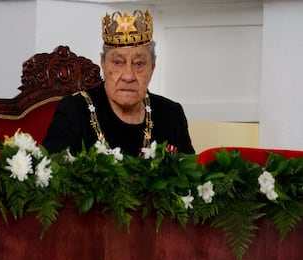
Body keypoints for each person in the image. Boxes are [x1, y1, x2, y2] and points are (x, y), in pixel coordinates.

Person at [43, 10, 195, 156]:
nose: (128, 76)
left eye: (139, 64)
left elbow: (191, 178)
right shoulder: (75, 109)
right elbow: (54, 174)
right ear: (103, 63)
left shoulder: (171, 114)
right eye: (117, 62)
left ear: (152, 68)